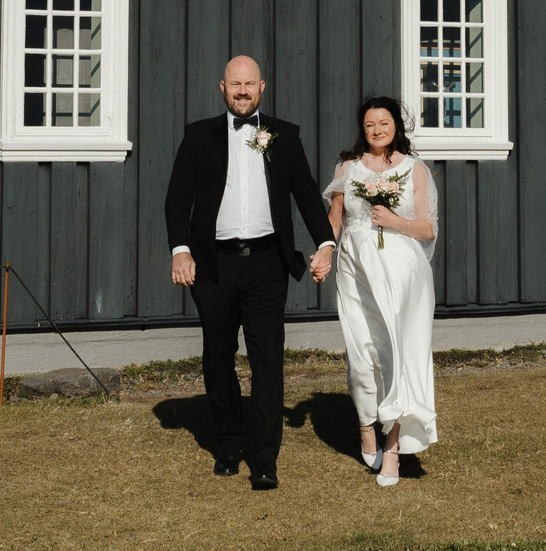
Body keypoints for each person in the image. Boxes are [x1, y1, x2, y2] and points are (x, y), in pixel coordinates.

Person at [164, 54, 336, 490]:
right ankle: (227, 442)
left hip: (266, 264)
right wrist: (180, 250)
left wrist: (327, 242)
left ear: (262, 87)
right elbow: (177, 198)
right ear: (222, 88)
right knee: (218, 356)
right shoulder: (198, 136)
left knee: (267, 362)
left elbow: (305, 193)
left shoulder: (281, 135)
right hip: (213, 265)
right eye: (234, 84)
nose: (242, 91)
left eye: (249, 84)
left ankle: (263, 458)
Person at [325, 95, 438, 486]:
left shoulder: (414, 170)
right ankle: (365, 427)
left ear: (396, 126)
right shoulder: (348, 168)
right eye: (370, 124)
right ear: (363, 128)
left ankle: (392, 449)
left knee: (396, 357)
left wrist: (393, 220)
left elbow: (428, 229)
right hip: (355, 270)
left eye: (384, 123)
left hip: (402, 274)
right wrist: (323, 253)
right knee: (361, 357)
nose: (377, 130)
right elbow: (335, 221)